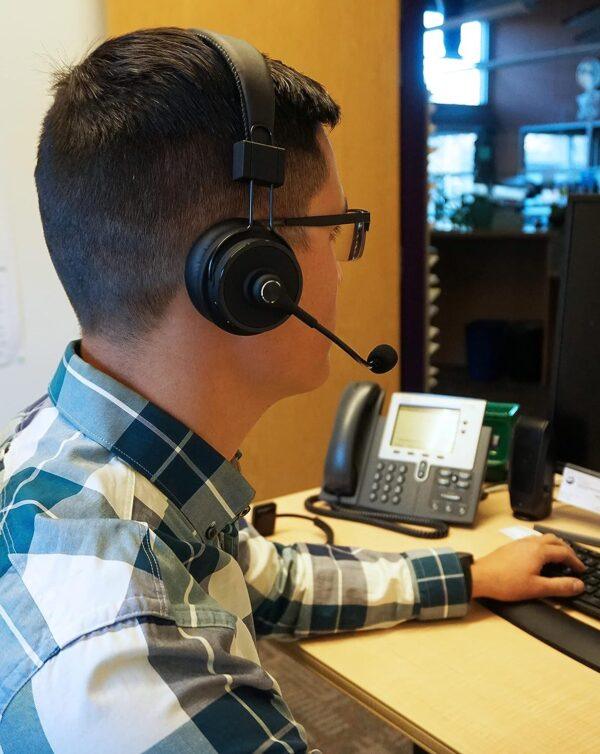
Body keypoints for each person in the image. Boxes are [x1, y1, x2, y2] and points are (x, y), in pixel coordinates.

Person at [0, 27, 586, 754]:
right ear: (250, 277)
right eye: (335, 232)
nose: (339, 269)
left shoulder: (81, 453)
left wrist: (470, 575)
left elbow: (266, 581)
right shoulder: (137, 682)